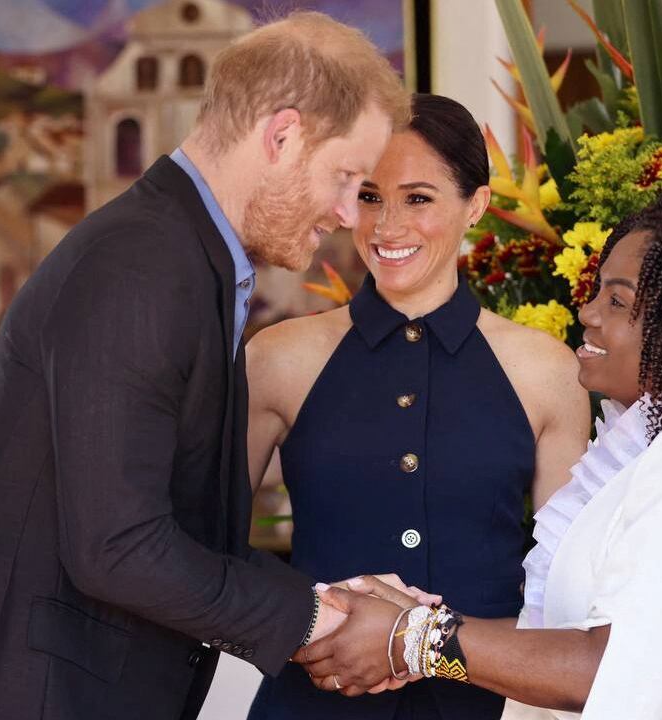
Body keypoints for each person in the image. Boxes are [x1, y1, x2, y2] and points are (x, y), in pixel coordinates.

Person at [0, 13, 412, 720]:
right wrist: (317, 621)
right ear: (282, 137)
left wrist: (325, 601)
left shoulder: (185, 258)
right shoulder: (142, 266)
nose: (349, 214)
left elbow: (167, 527)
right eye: (345, 177)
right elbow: (118, 548)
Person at [297, 187, 662, 719]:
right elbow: (573, 638)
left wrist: (413, 637)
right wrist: (405, 629)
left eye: (617, 301)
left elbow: (603, 669)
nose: (587, 314)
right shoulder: (659, 446)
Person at [243, 94, 591, 719]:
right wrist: (311, 628)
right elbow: (204, 549)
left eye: (419, 198)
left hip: (484, 707)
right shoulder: (278, 359)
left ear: (476, 207)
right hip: (314, 701)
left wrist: (428, 647)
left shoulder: (546, 371)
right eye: (370, 196)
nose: (387, 227)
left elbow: (565, 594)